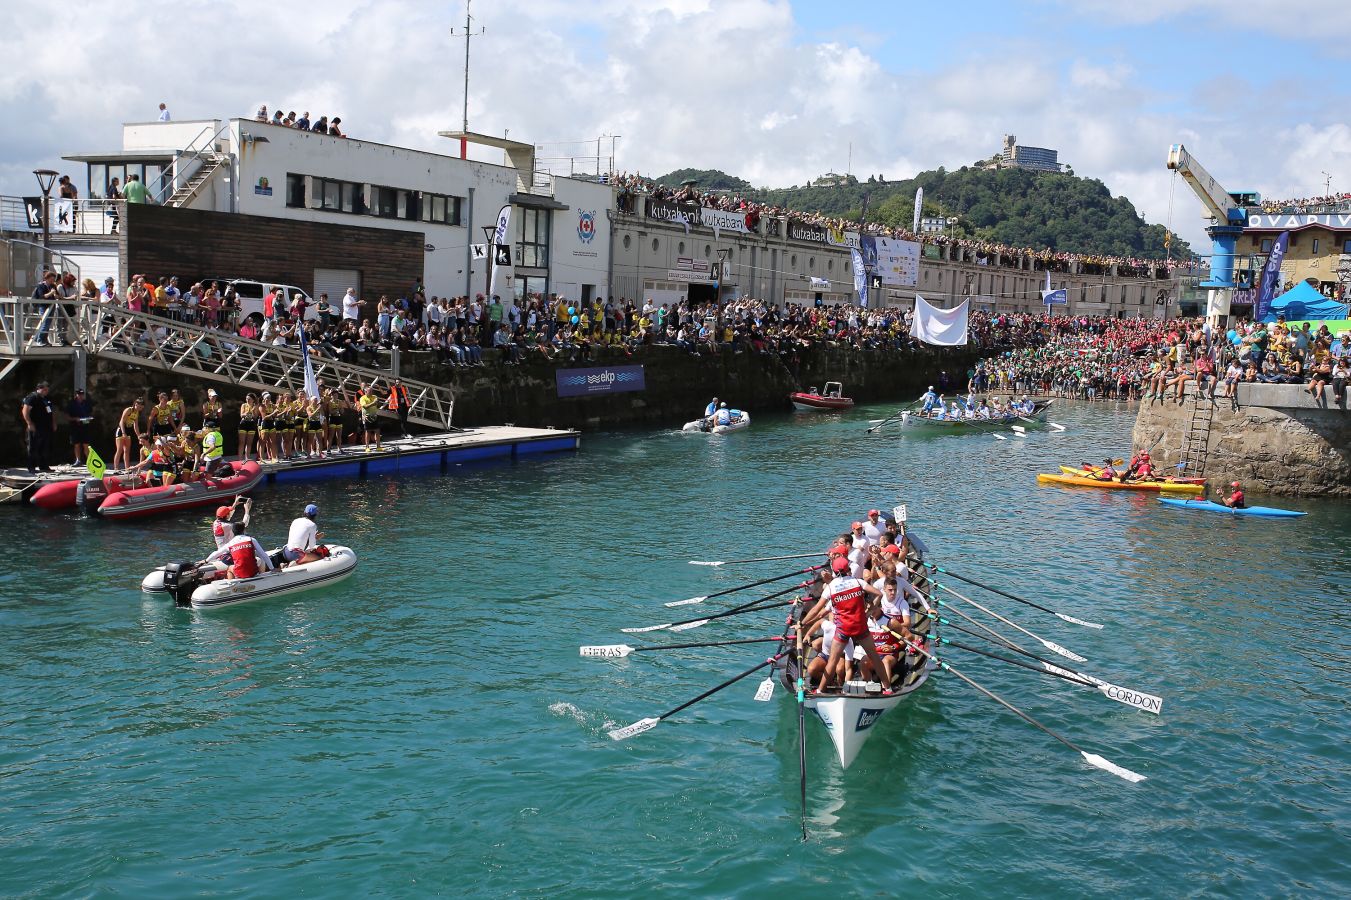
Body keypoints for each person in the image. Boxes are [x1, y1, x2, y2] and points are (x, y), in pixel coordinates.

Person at [807, 555, 891, 695]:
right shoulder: (858, 582)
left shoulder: (831, 587)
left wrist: (801, 623)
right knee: (875, 658)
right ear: (848, 569)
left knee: (832, 661)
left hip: (843, 629)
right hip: (860, 626)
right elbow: (879, 594)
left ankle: (820, 691)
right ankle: (888, 689)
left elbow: (816, 610)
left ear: (834, 571)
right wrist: (869, 611)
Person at [22, 381, 56, 474]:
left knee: (44, 447)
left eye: (47, 390)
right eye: (44, 389)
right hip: (35, 426)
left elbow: (51, 411)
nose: (46, 391)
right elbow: (25, 411)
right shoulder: (32, 397)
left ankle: (44, 466)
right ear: (39, 389)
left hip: (46, 426)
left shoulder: (47, 398)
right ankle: (31, 467)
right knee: (33, 447)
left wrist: (53, 423)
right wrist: (29, 423)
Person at [65, 387, 94, 466]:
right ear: (76, 395)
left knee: (86, 444)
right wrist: (75, 419)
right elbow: (67, 416)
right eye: (79, 394)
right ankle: (78, 460)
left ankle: (89, 460)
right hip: (75, 426)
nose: (81, 396)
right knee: (76, 444)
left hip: (85, 426)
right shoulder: (71, 403)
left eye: (82, 394)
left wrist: (89, 419)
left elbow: (90, 413)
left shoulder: (87, 403)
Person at [113, 397, 143, 472]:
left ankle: (127, 468)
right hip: (121, 430)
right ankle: (116, 468)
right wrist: (123, 433)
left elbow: (136, 425)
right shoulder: (128, 410)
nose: (139, 408)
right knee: (119, 450)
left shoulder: (137, 412)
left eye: (141, 407)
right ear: (135, 404)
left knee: (127, 450)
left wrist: (139, 436)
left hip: (128, 430)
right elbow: (121, 422)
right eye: (138, 406)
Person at [358, 384, 381, 450]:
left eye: (371, 391)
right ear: (365, 392)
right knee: (368, 431)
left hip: (374, 416)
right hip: (367, 417)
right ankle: (367, 447)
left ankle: (378, 447)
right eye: (370, 391)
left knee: (377, 431)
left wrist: (377, 402)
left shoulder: (374, 396)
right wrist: (373, 403)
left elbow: (378, 405)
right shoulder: (362, 398)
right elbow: (365, 406)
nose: (371, 392)